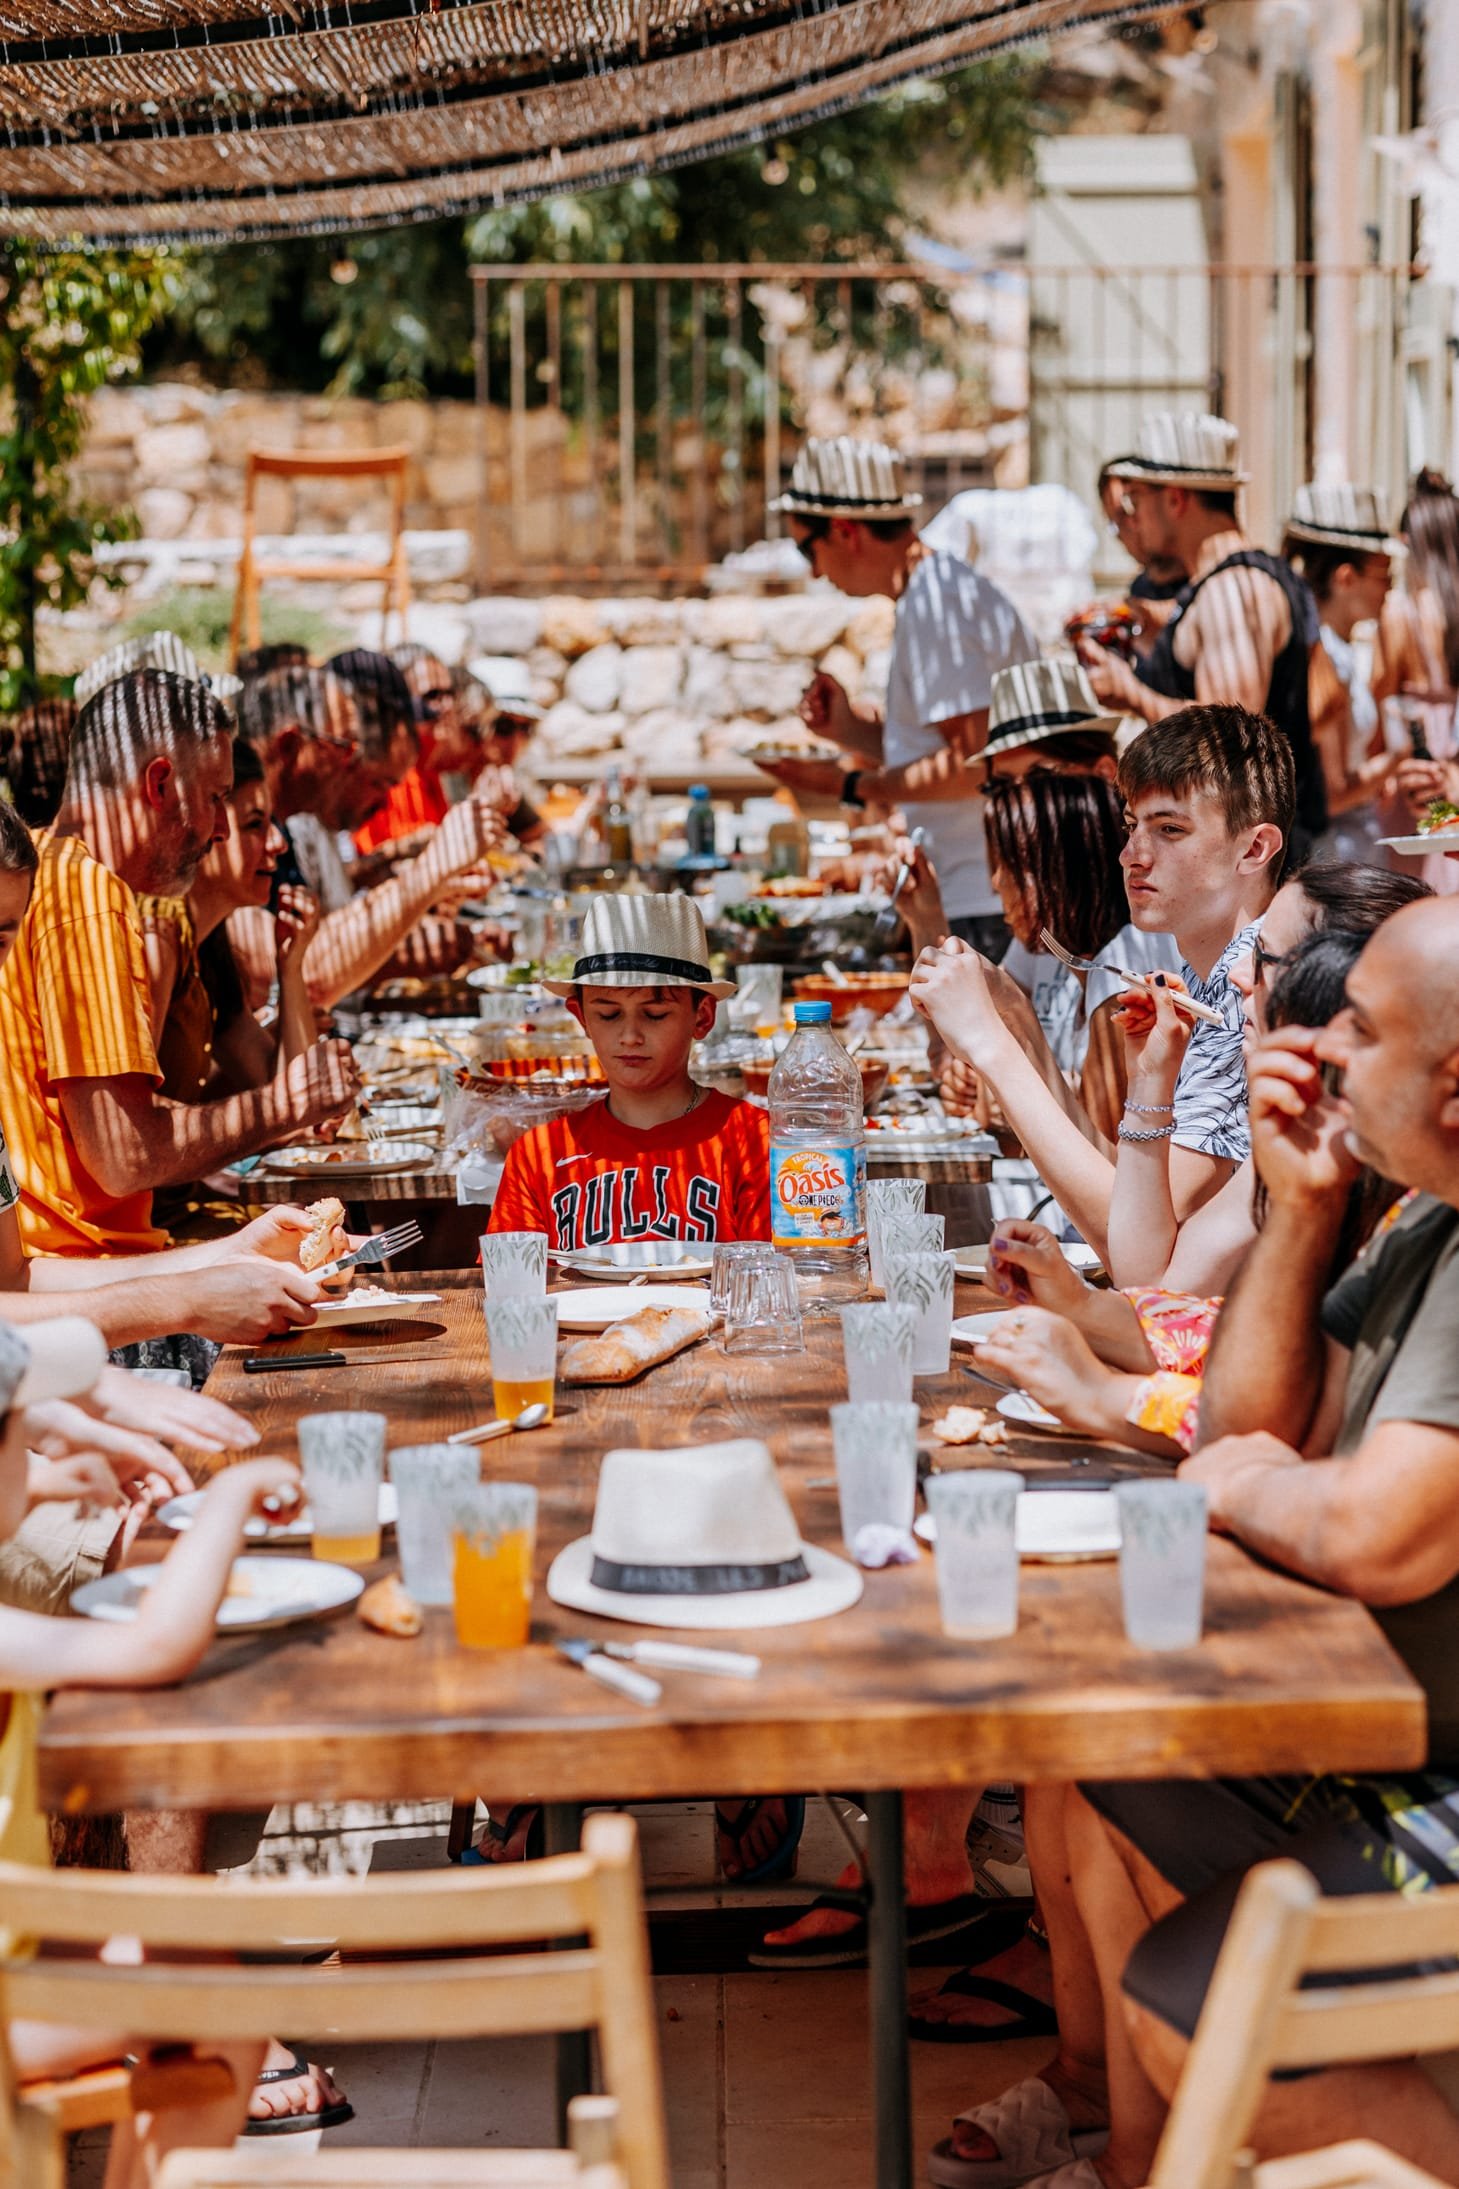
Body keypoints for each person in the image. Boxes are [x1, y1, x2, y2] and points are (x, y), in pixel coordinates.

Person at [989, 897, 1459, 2189]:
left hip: (1427, 1767)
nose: (1313, 1050)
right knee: (1109, 1774)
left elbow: (1379, 1532)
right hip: (1375, 1734)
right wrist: (1304, 1203)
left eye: (1356, 1031)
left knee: (1187, 1995)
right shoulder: (1421, 1210)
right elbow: (1247, 1424)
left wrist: (1243, 1485)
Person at [0, 1323, 300, 2189]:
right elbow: (153, 1646)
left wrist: (55, 1469)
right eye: (27, 1435)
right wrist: (230, 1501)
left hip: (28, 1945)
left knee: (199, 1972)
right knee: (219, 2006)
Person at [911, 703, 1292, 1278]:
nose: (1133, 854)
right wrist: (1016, 1019)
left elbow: (1134, 1251)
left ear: (1254, 848)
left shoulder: (1248, 990)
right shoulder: (1209, 976)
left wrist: (991, 1045)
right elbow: (1131, 1195)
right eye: (1131, 826)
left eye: (1170, 829)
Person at [0, 670, 359, 1262]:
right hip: (94, 1274)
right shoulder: (87, 895)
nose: (219, 828)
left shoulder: (43, 865)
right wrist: (283, 1105)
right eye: (217, 798)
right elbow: (123, 1155)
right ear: (160, 783)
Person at [751, 435, 1037, 958]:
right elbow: (947, 754)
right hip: (975, 887)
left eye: (806, 549)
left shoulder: (937, 605)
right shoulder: (930, 594)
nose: (814, 571)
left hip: (983, 894)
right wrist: (849, 731)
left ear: (844, 531)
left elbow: (977, 767)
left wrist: (851, 785)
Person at [1079, 412, 1326, 855]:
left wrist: (1131, 693)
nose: (1130, 522)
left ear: (1175, 499)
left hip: (1258, 871)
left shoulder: (1232, 591)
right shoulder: (1228, 584)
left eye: (1135, 501)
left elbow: (1228, 736)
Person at [488, 893, 769, 1250]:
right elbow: (515, 1291)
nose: (630, 1037)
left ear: (702, 1017)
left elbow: (777, 1281)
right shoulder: (539, 1155)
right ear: (582, 1017)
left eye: (655, 1014)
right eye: (608, 1015)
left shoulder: (755, 1142)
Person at [233, 664, 509, 1010]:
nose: (354, 763)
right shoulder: (230, 831)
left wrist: (432, 884)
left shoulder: (279, 825)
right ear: (290, 746)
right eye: (345, 747)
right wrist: (433, 869)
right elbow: (298, 978)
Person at [142, 736, 319, 1105]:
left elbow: (293, 1097)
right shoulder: (157, 933)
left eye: (274, 822)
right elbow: (131, 1118)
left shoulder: (208, 946)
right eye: (255, 824)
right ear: (209, 830)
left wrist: (291, 966)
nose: (278, 843)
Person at [1281, 483, 1400, 859]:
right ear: (1346, 577)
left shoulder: (1337, 651)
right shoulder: (1324, 658)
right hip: (1335, 856)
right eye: (1384, 576)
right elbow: (1333, 796)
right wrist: (1398, 758)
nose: (1390, 589)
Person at [1380, 468, 1459, 895]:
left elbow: (1383, 696)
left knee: (1414, 891)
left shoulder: (1402, 612)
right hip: (1454, 765)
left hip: (1416, 761)